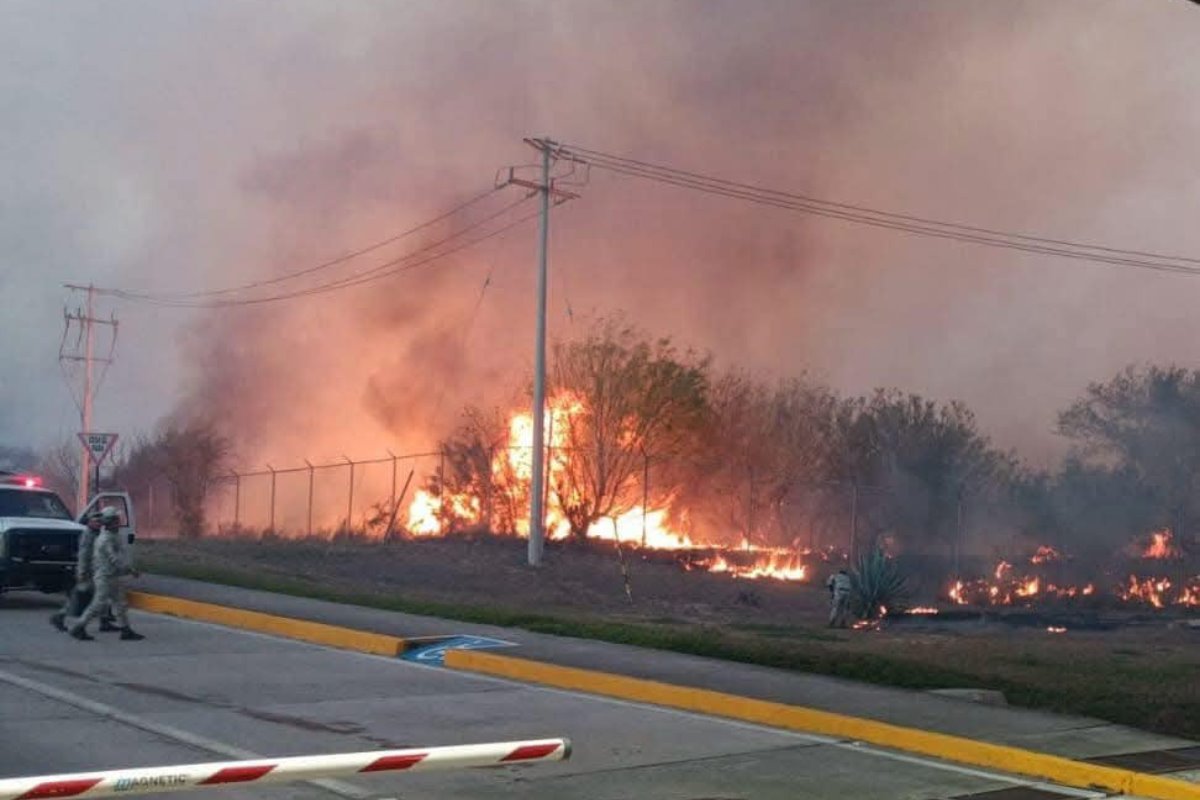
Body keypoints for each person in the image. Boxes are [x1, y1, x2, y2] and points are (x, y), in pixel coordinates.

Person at [68, 507, 144, 641]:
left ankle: (126, 630)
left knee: (120, 603)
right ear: (111, 522)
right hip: (105, 576)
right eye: (117, 520)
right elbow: (114, 559)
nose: (119, 522)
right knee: (98, 604)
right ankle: (79, 627)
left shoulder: (112, 536)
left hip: (112, 576)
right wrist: (130, 570)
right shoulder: (106, 540)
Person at [50, 511, 102, 632]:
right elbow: (83, 555)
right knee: (82, 597)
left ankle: (104, 620)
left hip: (94, 571)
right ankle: (60, 617)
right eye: (96, 521)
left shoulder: (96, 534)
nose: (98, 524)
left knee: (99, 596)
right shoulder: (88, 535)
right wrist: (82, 572)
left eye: (100, 522)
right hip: (88, 572)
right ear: (89, 522)